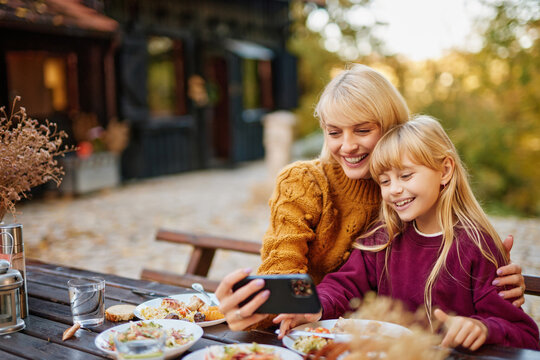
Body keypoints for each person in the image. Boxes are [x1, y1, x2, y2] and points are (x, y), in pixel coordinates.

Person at [216, 64, 526, 331]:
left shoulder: (407, 199)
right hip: (310, 328)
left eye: (362, 130)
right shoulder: (305, 182)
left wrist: (493, 284)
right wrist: (259, 308)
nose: (347, 146)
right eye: (334, 132)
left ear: (391, 127)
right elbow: (286, 272)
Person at [275, 116, 539, 350]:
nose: (394, 190)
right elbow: (343, 285)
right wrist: (311, 305)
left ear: (445, 170)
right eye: (385, 181)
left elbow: (525, 335)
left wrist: (482, 328)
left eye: (406, 175)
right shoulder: (383, 238)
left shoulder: (476, 246)